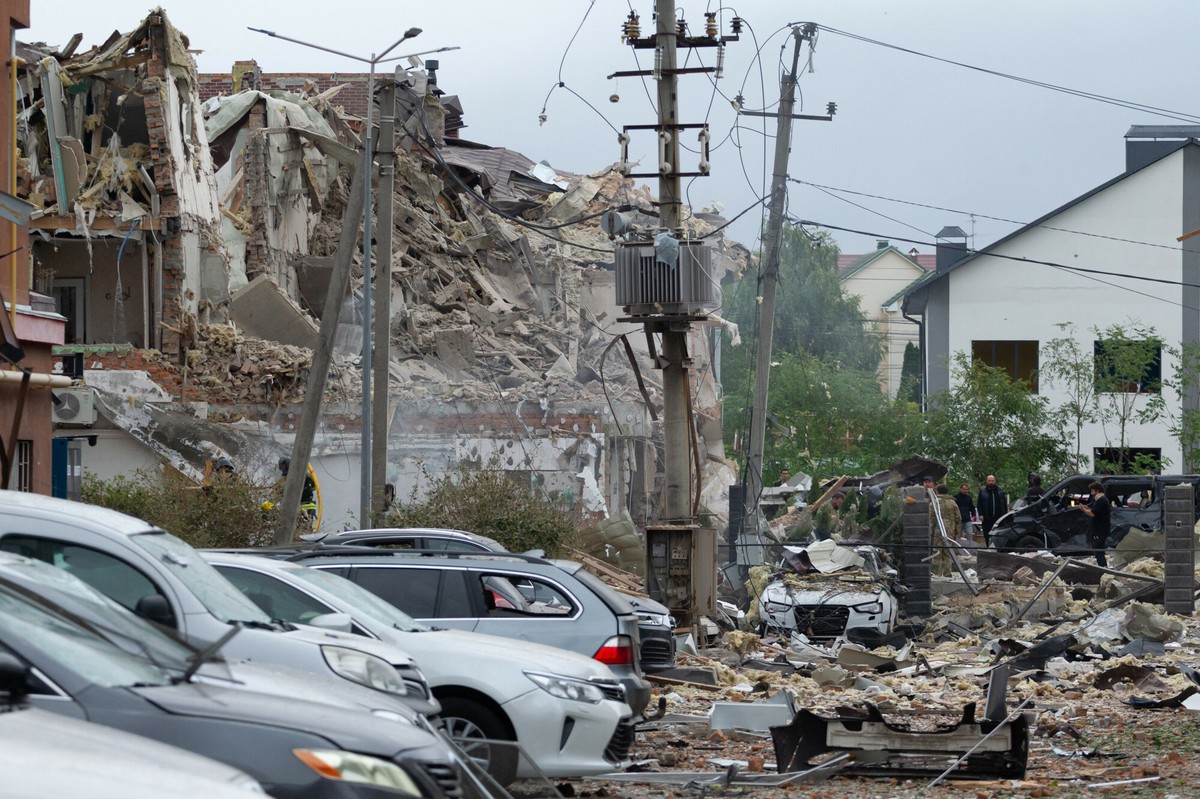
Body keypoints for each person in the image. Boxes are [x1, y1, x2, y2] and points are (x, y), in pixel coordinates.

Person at [278, 457, 318, 531]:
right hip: (308, 506)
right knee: (305, 529)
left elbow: (277, 495)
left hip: (295, 509)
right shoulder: (305, 475)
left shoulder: (282, 481)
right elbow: (315, 487)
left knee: (296, 530)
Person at [930, 483, 961, 576]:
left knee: (937, 553)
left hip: (937, 531)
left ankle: (937, 574)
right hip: (950, 531)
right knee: (948, 554)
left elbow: (930, 518)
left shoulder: (934, 502)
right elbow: (958, 518)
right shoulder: (953, 503)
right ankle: (947, 574)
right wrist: (957, 532)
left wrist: (929, 532)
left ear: (937, 491)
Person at [1078, 481, 1111, 568]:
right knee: (1098, 552)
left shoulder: (1102, 501)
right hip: (1099, 530)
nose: (1091, 493)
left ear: (1097, 491)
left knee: (1099, 552)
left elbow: (1092, 514)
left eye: (1092, 491)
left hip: (1099, 531)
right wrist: (1087, 508)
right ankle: (1102, 568)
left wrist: (1083, 509)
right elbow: (1095, 510)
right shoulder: (1100, 501)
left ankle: (1103, 569)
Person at [977, 474, 1008, 544]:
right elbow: (979, 504)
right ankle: (988, 546)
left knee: (999, 533)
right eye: (989, 481)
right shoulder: (982, 491)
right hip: (987, 517)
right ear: (986, 481)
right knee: (987, 533)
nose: (991, 482)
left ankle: (998, 547)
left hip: (999, 517)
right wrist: (980, 514)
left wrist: (1005, 515)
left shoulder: (1000, 491)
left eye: (992, 481)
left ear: (995, 481)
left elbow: (1004, 504)